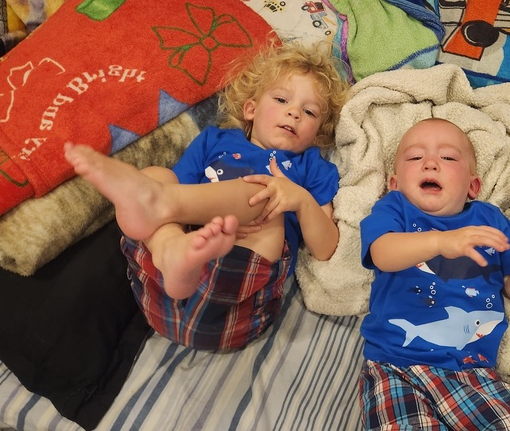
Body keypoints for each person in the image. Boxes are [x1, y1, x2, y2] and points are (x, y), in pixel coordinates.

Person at [64, 41, 348, 351]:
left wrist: (301, 200)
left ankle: (164, 219)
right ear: (251, 109)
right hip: (162, 288)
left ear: (318, 134)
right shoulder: (215, 139)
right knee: (158, 177)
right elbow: (179, 190)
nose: (294, 112)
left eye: (309, 112)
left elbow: (325, 249)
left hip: (236, 304)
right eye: (281, 99)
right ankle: (170, 249)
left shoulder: (312, 167)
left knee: (266, 193)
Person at [358, 118, 510, 430]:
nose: (430, 163)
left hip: (474, 372)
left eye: (448, 157)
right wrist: (440, 242)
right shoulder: (394, 209)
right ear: (395, 183)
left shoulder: (489, 220)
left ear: (473, 186)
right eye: (415, 157)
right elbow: (382, 253)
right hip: (394, 365)